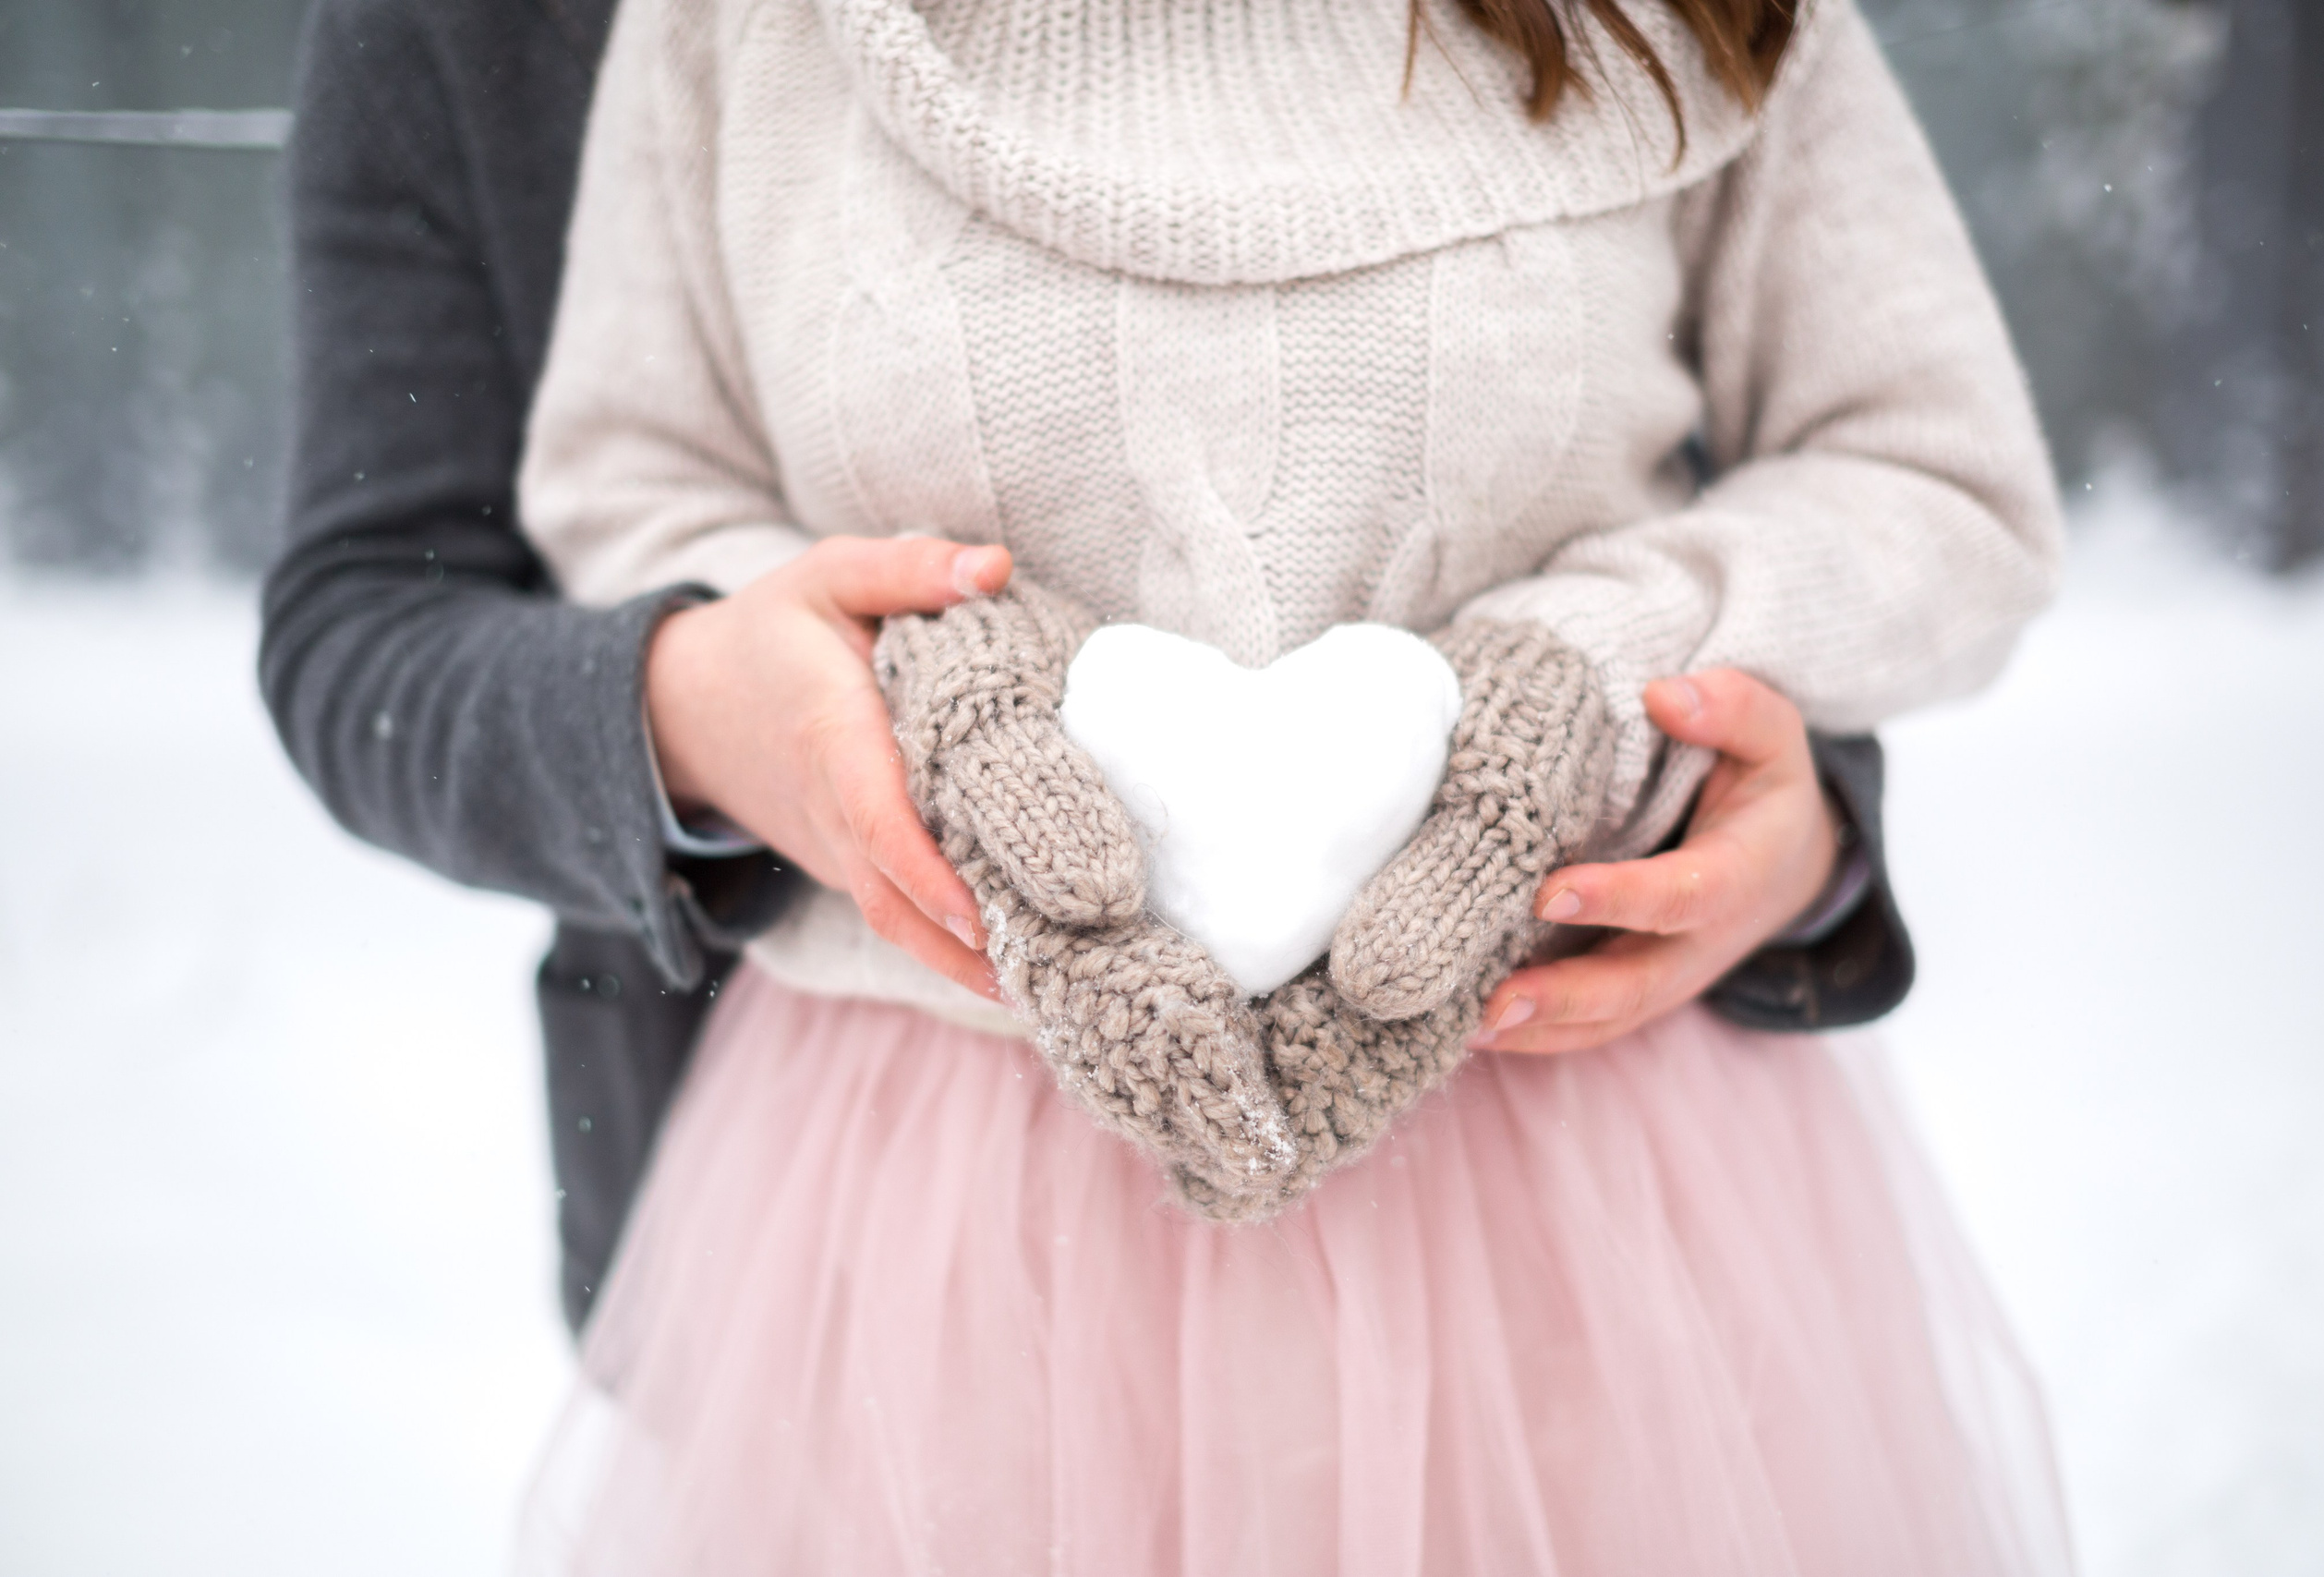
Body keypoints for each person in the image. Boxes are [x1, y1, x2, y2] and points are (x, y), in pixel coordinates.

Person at [509, 0, 2076, 1566]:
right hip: (941, 1221)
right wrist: (916, 681)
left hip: (1578, 1191)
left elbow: (1936, 477)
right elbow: (630, 480)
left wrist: (1596, 679)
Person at [262, 0, 1918, 1335]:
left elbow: (1769, 473)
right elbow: (375, 623)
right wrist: (700, 710)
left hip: (1576, 1212)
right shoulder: (573, 37)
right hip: (870, 1236)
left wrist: (1770, 800)